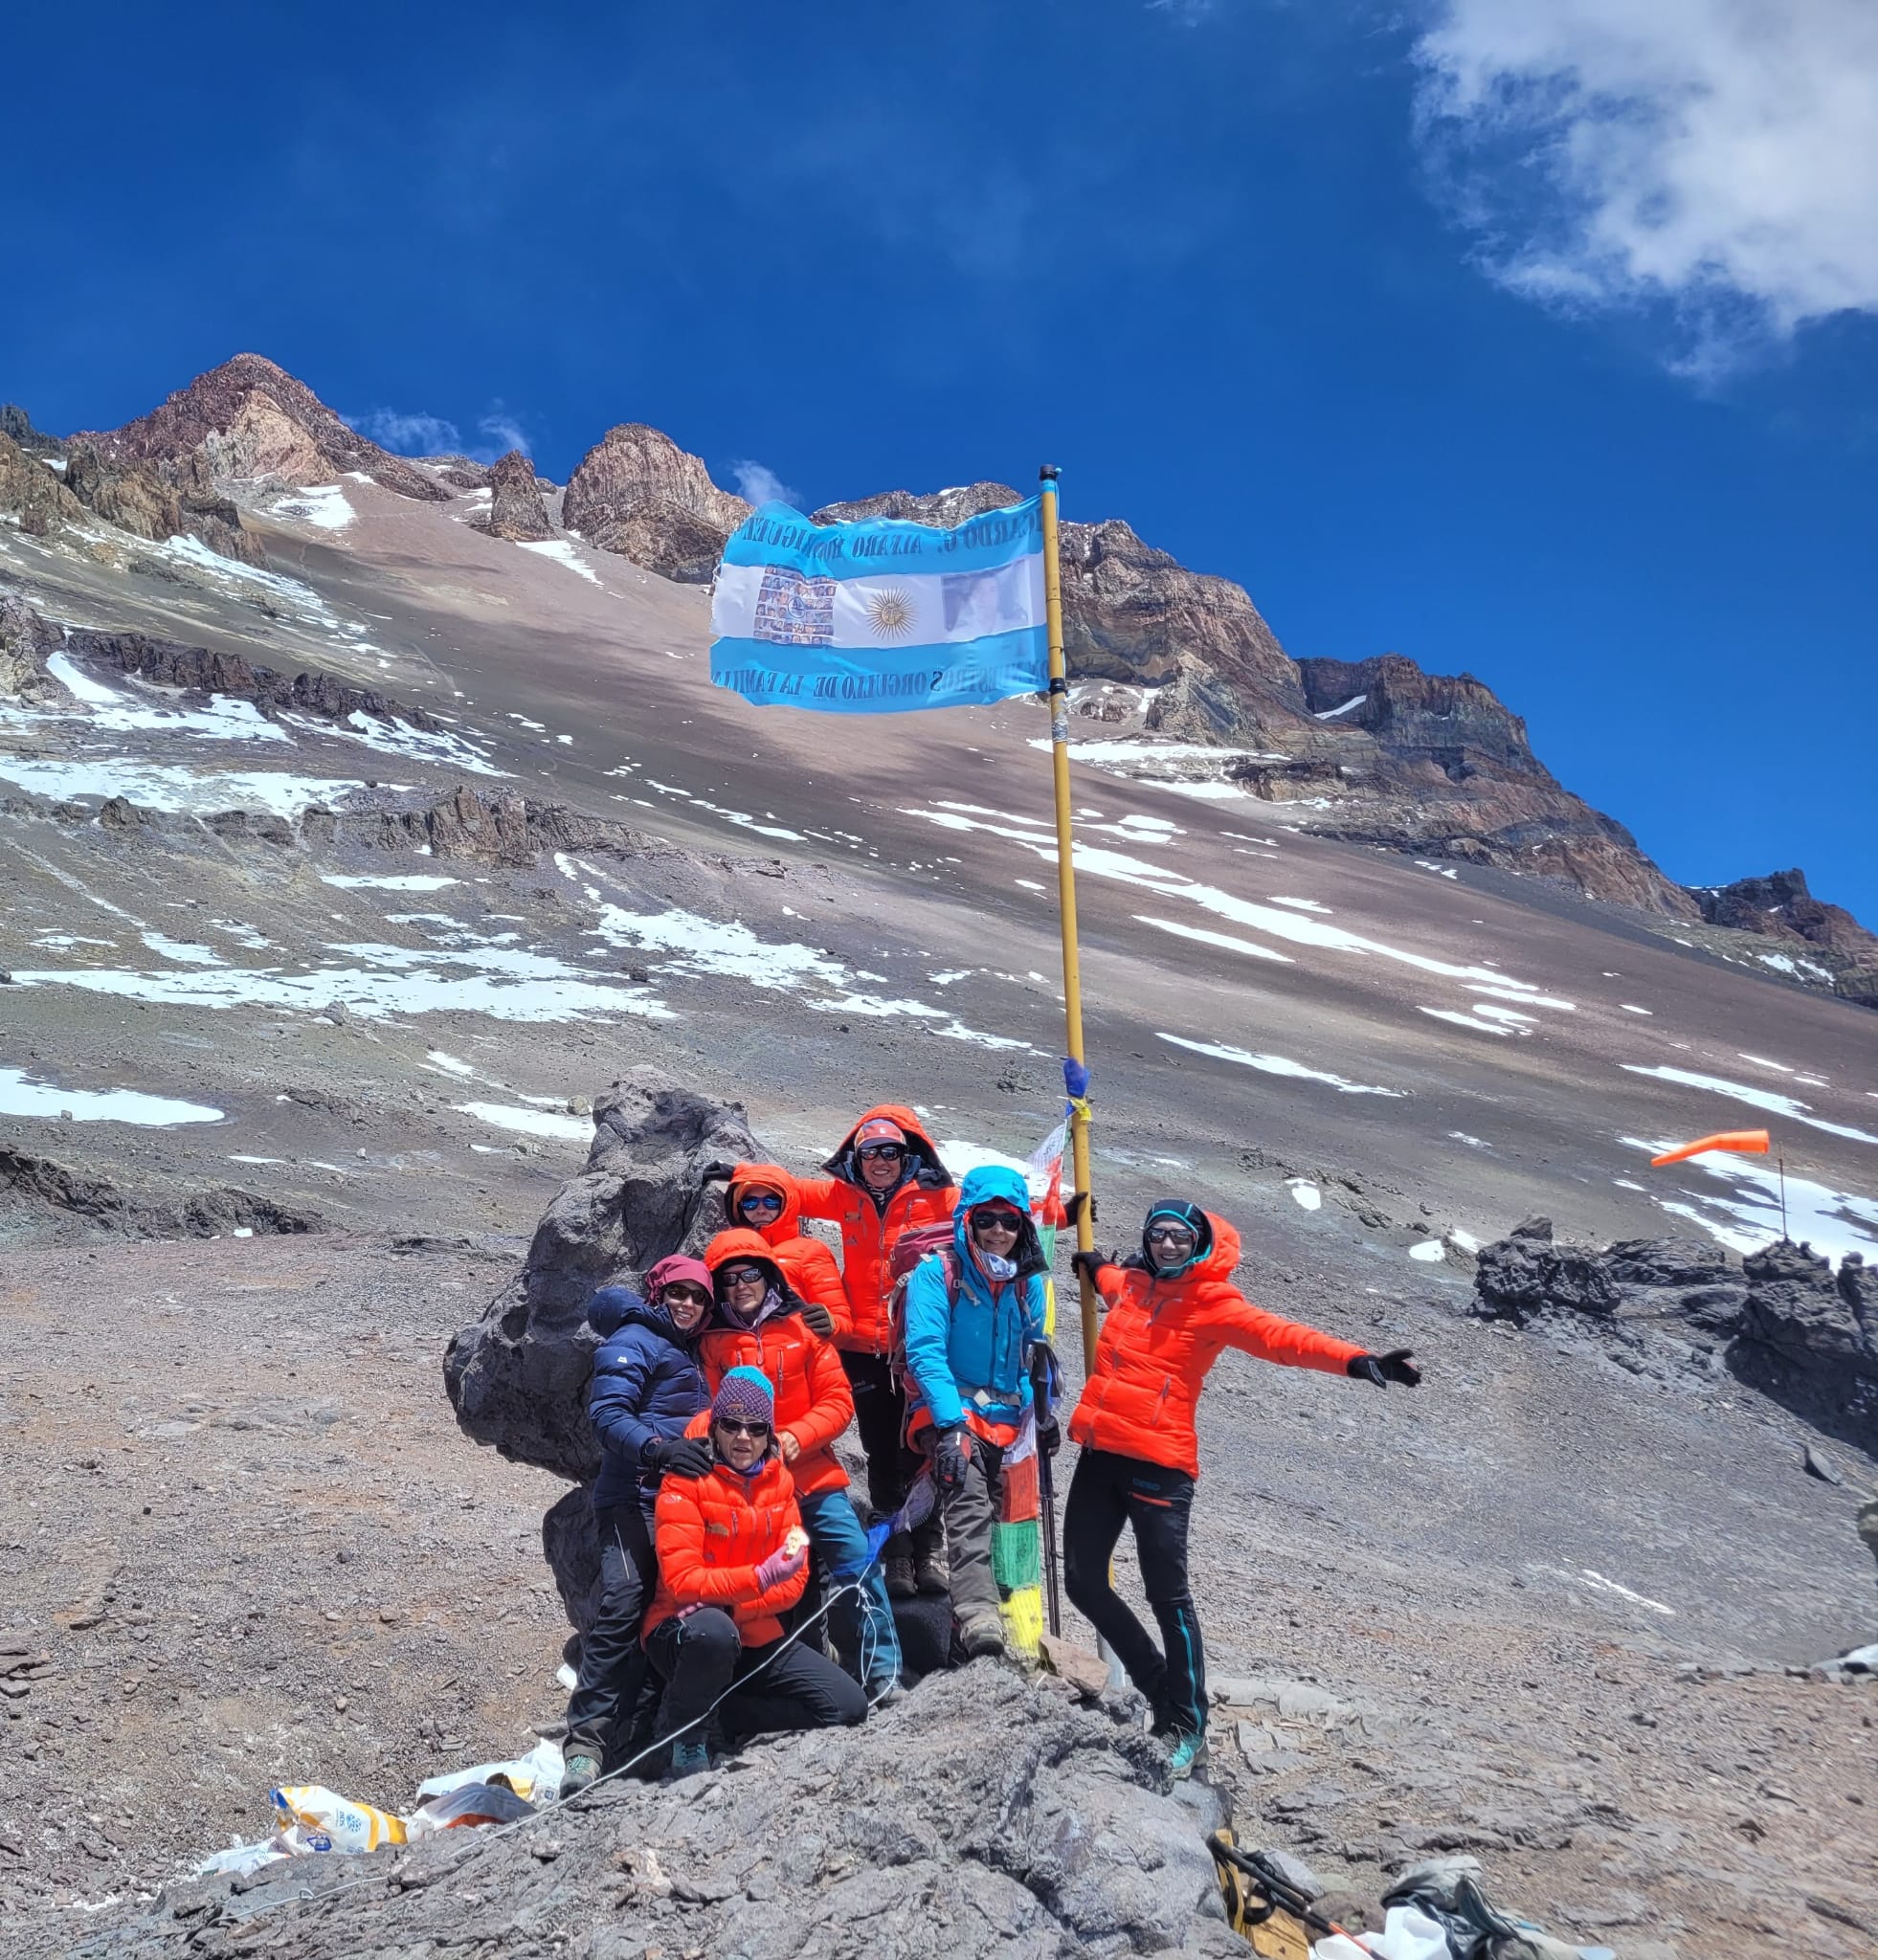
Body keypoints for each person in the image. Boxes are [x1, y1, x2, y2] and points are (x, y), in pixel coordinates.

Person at [1064, 1199, 1421, 1779]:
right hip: (1100, 1455)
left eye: (1180, 1237)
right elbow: (1108, 1282)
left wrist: (1357, 1360)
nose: (1168, 1246)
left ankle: (1186, 1723)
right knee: (1082, 1582)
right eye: (1158, 1236)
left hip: (1161, 1468)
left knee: (1167, 1598)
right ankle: (1162, 1691)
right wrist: (1096, 1265)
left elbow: (1280, 1339)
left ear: (1200, 1242)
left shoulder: (1213, 1303)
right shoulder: (1129, 1286)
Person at [697, 1230, 905, 1699]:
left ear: (769, 1275)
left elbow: (838, 1402)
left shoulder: (804, 1330)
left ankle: (882, 1674)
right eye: (728, 1279)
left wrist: (796, 1437)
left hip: (813, 1479)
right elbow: (709, 1415)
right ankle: (808, 1685)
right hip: (748, 1490)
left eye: (750, 1274)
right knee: (779, 1587)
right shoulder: (711, 1344)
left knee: (856, 1563)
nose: (740, 1286)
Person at [643, 1367, 867, 1776]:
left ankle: (727, 1715)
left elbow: (795, 1577)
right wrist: (761, 1579)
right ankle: (687, 1739)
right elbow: (680, 1581)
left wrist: (733, 1605)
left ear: (769, 1434)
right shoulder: (686, 1479)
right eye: (731, 1424)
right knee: (712, 1632)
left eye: (756, 1427)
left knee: (848, 1706)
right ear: (715, 1427)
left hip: (751, 1633)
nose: (743, 1437)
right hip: (682, 1635)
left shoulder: (780, 1482)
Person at [560, 1256, 714, 1797]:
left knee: (676, 1609)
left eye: (699, 1297)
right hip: (631, 1498)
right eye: (678, 1293)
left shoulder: (696, 1348)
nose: (688, 1304)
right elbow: (606, 1414)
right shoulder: (635, 1338)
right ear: (656, 1294)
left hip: (679, 1502)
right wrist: (657, 1449)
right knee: (624, 1602)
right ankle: (585, 1746)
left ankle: (659, 1735)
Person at [789, 1107, 957, 1599]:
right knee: (881, 1451)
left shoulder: (937, 1196)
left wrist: (1067, 1210)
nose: (880, 1162)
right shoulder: (844, 1196)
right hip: (862, 1347)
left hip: (918, 1346)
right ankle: (899, 1555)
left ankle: (930, 1550)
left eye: (890, 1152)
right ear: (855, 1159)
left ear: (908, 1155)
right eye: (870, 1154)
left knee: (922, 1448)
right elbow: (789, 1191)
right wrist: (738, 1175)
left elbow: (999, 1206)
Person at [901, 1164, 1050, 1659]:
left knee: (1015, 1517)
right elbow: (924, 1350)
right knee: (969, 1507)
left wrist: (1038, 1414)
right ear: (968, 1218)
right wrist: (951, 1423)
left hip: (1011, 1419)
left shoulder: (1027, 1281)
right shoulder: (936, 1272)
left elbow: (1030, 1355)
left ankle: (1017, 1619)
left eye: (1010, 1222)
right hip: (951, 1410)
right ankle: (980, 1619)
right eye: (987, 1220)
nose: (998, 1232)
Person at [723, 1163, 851, 1342]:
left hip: (795, 1360)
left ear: (786, 1203)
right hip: (740, 1360)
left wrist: (832, 1325)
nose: (761, 1209)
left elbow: (843, 1324)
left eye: (771, 1201)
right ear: (738, 1206)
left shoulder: (810, 1252)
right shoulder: (727, 1249)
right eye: (750, 1202)